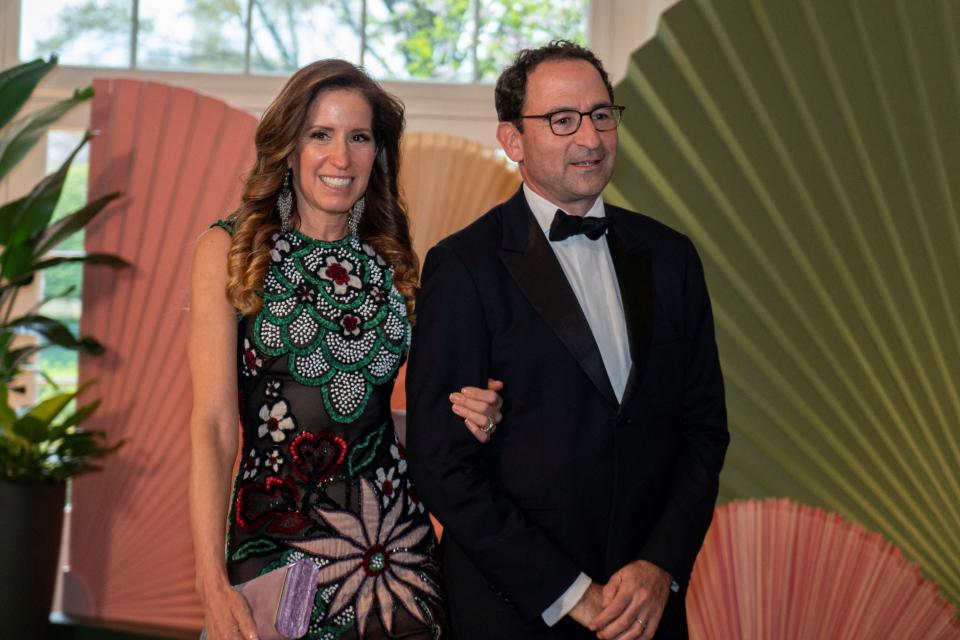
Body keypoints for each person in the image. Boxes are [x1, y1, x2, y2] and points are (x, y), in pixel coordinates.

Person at [406, 41, 729, 639]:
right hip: (514, 612)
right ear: (512, 140)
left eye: (602, 115)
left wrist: (660, 565)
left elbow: (704, 429)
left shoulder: (672, 257)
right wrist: (570, 592)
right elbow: (441, 462)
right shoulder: (463, 265)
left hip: (646, 611)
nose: (591, 137)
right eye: (562, 120)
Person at [188, 59, 505, 640]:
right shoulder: (230, 251)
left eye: (359, 137)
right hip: (274, 549)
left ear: (377, 153)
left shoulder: (397, 266)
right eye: (321, 135)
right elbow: (212, 426)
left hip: (394, 558)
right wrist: (210, 581)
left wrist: (468, 419)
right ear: (288, 146)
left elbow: (372, 420)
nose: (342, 157)